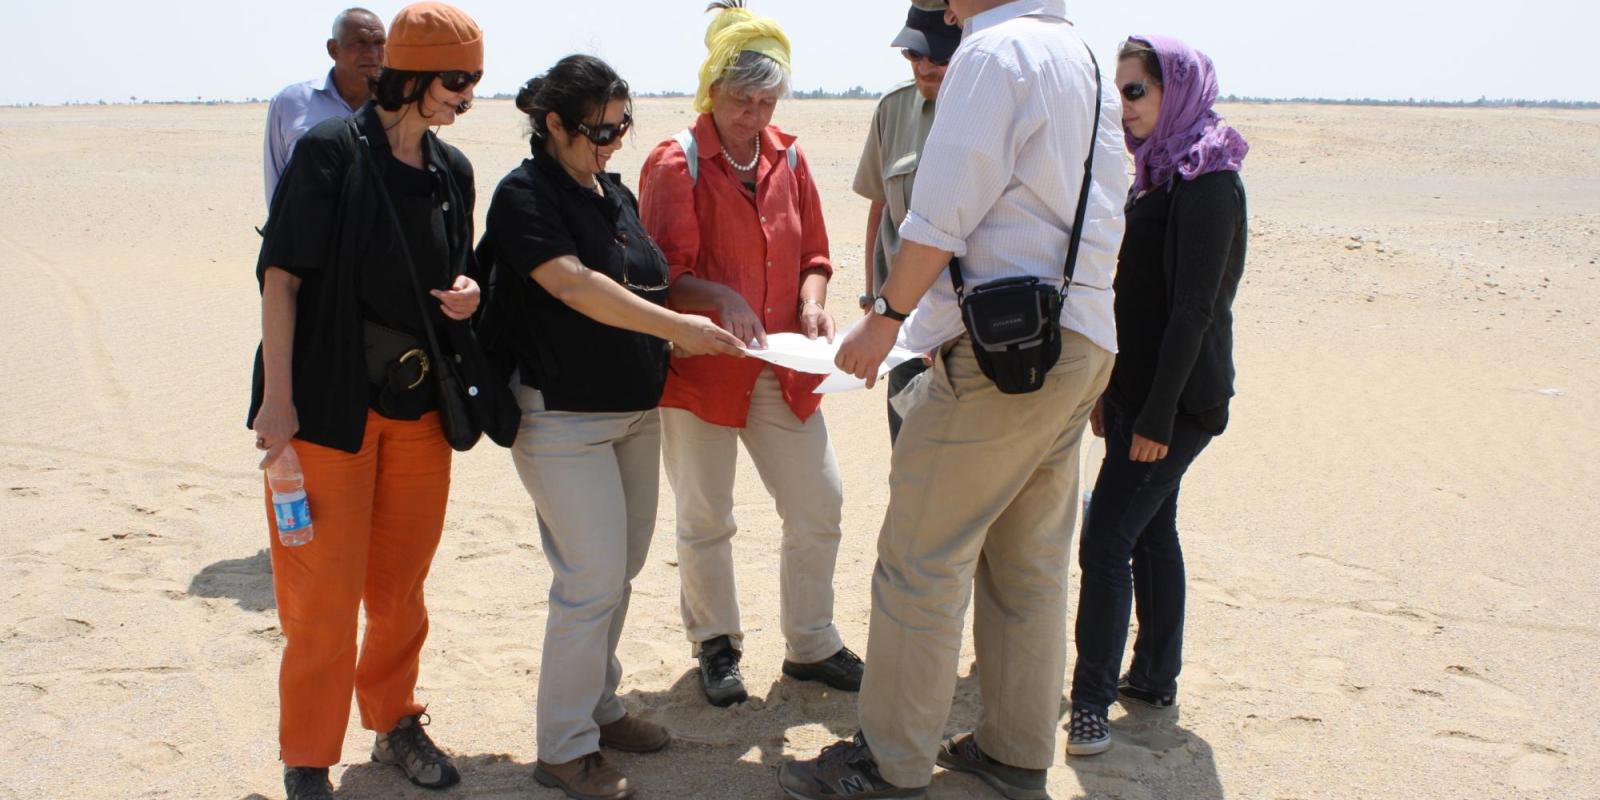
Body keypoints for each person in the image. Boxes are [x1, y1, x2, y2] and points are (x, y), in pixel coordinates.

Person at [781, 0, 1129, 797]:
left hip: (1002, 352)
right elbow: (1111, 207)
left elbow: (942, 212)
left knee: (920, 561)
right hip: (1076, 339)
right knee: (1029, 564)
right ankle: (1012, 750)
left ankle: (888, 761)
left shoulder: (994, 50)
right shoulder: (1081, 56)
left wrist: (885, 319)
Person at [477, 55, 745, 800]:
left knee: (616, 575)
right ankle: (563, 748)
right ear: (554, 123)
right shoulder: (524, 195)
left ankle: (598, 708)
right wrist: (679, 329)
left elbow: (645, 274)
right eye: (600, 128)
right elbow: (574, 284)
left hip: (633, 415)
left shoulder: (612, 193)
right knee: (588, 581)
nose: (615, 141)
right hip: (562, 420)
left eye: (624, 125)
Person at [247, 4, 486, 798]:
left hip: (417, 411)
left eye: (476, 81)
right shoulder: (327, 154)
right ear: (413, 74)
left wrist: (467, 292)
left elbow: (455, 270)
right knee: (321, 597)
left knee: (399, 591)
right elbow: (280, 279)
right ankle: (308, 757)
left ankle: (395, 721)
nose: (467, 96)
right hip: (325, 409)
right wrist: (276, 404)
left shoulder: (453, 172)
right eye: (457, 80)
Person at [638, 0, 863, 709]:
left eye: (768, 101)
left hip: (782, 368)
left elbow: (817, 254)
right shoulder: (675, 161)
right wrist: (718, 296)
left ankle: (812, 642)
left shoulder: (789, 156)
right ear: (712, 88)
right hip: (702, 369)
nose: (755, 115)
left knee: (819, 500)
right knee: (707, 515)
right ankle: (716, 643)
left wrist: (813, 299)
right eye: (743, 100)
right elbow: (659, 276)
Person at [1065, 34, 1250, 757]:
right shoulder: (1163, 172)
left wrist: (1157, 418)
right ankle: (1153, 675)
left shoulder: (1209, 181)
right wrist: (1118, 393)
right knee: (1149, 531)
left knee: (1106, 539)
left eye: (1137, 90)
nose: (1125, 105)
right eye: (1119, 92)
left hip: (1177, 403)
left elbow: (1192, 312)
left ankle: (1090, 706)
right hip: (1143, 395)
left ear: (1178, 89)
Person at [852, 2, 961, 444]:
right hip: (905, 328)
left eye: (938, 54)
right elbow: (880, 213)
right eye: (914, 55)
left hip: (972, 336)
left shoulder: (993, 111)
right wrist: (873, 302)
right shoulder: (893, 109)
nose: (925, 65)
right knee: (910, 466)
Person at [263, 7, 386, 204]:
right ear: (333, 49)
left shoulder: (397, 107)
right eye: (360, 43)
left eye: (379, 43)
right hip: (308, 232)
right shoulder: (290, 103)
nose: (372, 54)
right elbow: (276, 179)